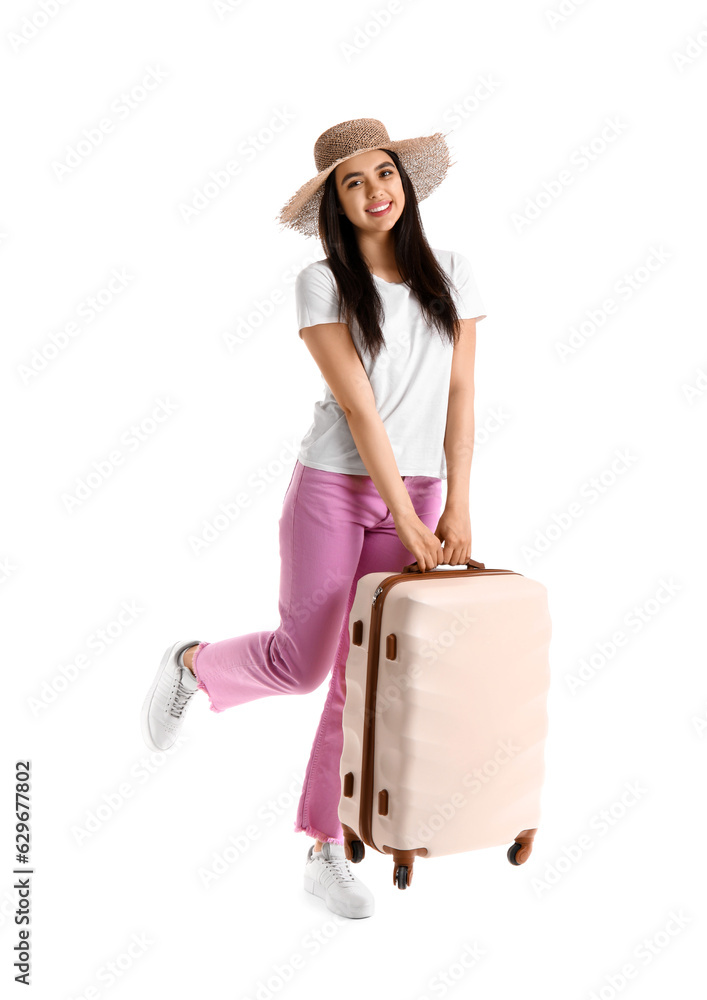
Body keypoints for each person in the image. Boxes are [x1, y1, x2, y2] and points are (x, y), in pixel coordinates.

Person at [140, 118, 487, 920]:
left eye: (383, 174)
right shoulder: (321, 284)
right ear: (334, 200)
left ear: (405, 181)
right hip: (335, 487)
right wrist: (405, 514)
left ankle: (325, 848)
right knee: (302, 665)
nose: (374, 192)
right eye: (353, 182)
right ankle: (194, 665)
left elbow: (463, 396)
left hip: (427, 493)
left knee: (365, 679)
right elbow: (362, 413)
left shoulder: (456, 275)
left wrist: (456, 504)